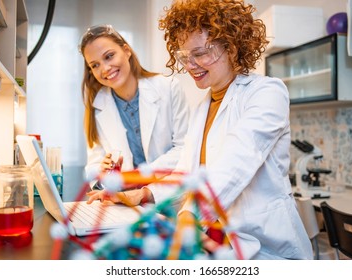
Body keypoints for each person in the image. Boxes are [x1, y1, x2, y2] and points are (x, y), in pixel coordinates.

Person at [87, 0, 313, 260]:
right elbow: (185, 176)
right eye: (184, 56)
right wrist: (142, 194)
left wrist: (189, 214)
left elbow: (236, 160)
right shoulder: (203, 107)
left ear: (231, 46)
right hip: (219, 247)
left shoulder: (267, 93)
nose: (190, 65)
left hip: (268, 250)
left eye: (201, 53)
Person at [78, 24, 189, 189]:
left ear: (126, 51)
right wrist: (103, 172)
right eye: (95, 65)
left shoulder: (168, 87)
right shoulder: (97, 106)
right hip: (124, 202)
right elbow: (94, 167)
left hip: (169, 196)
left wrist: (135, 178)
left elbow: (183, 149)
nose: (105, 69)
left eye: (109, 56)